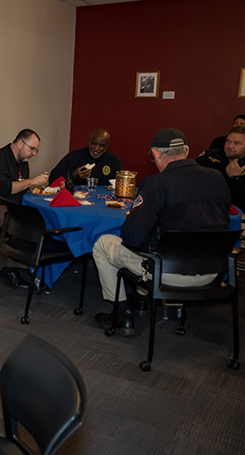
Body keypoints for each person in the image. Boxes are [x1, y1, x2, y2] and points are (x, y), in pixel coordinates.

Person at [92, 128, 231, 336]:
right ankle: (140, 301)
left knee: (103, 244)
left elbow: (133, 237)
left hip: (169, 272)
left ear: (156, 154)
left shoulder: (157, 183)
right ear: (186, 150)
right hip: (213, 271)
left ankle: (122, 314)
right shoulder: (218, 177)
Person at [0, 129, 49, 287]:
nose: (34, 153)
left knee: (38, 217)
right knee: (24, 222)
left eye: (36, 150)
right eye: (32, 149)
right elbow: (4, 188)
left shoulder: (22, 161)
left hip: (10, 206)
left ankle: (27, 262)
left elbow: (21, 188)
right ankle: (11, 268)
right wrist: (31, 181)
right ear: (20, 143)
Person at [48, 129, 121, 186]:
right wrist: (73, 176)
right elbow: (53, 178)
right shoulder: (74, 156)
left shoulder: (114, 161)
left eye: (101, 145)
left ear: (107, 145)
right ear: (89, 141)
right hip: (76, 199)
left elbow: (119, 185)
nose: (96, 148)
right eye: (94, 144)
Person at [197, 124, 245, 211]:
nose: (230, 146)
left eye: (237, 143)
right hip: (203, 206)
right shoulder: (210, 156)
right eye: (228, 141)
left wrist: (235, 178)